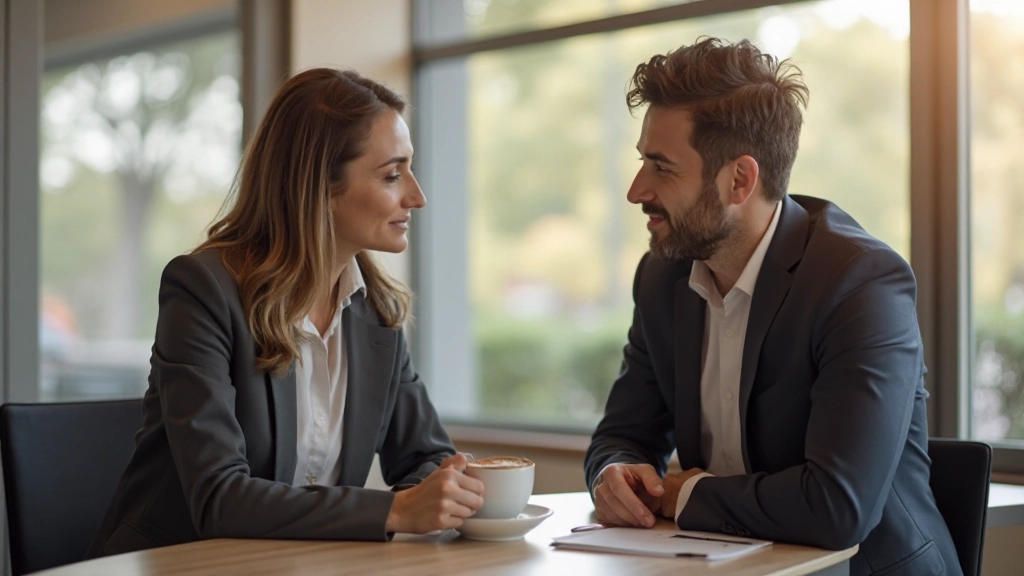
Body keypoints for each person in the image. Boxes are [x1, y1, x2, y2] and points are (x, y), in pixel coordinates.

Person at [585, 38, 959, 576]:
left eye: (661, 168)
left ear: (740, 179)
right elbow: (623, 435)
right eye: (642, 161)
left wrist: (686, 495)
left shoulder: (860, 282)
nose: (636, 190)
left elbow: (838, 507)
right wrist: (614, 474)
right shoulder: (662, 277)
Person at [89, 68, 484, 557]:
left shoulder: (376, 310)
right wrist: (395, 511)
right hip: (181, 563)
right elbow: (218, 497)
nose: (417, 197)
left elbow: (427, 456)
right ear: (320, 185)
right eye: (392, 175)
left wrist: (440, 489)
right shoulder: (203, 290)